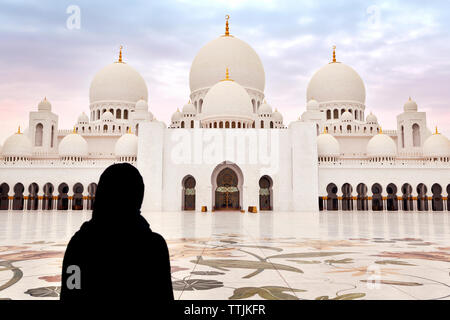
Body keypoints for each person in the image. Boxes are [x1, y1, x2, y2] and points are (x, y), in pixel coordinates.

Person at [60, 163, 174, 301]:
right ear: (138, 197)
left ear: (101, 194)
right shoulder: (154, 247)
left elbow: (71, 293)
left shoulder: (79, 245)